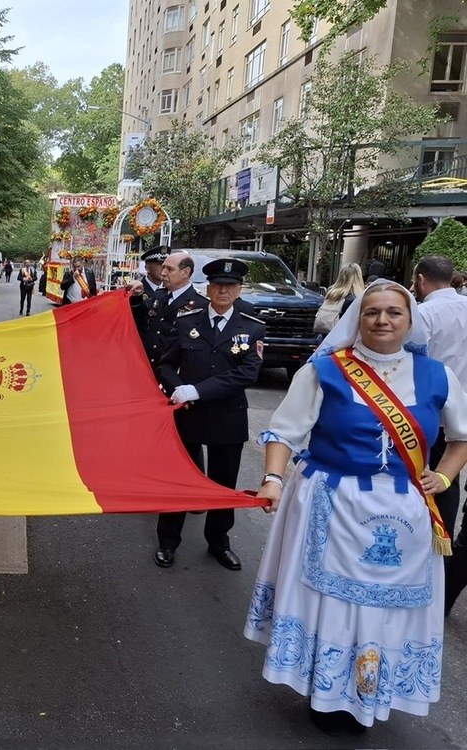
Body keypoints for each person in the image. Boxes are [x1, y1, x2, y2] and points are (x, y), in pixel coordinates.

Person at [245, 280, 467, 734]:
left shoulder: (438, 376)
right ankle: (325, 691)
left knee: (387, 608)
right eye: (372, 312)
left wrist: (442, 476)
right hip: (332, 502)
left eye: (394, 313)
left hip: (404, 513)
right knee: (332, 600)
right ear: (357, 319)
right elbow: (284, 432)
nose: (382, 320)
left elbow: (462, 438)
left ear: (411, 321)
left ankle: (371, 687)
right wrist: (272, 480)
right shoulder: (325, 371)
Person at [154, 258, 266, 571]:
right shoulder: (187, 321)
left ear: (239, 289)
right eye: (217, 285)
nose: (223, 291)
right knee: (178, 481)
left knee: (223, 484)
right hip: (188, 413)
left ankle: (218, 543)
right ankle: (167, 541)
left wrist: (198, 389)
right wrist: (177, 387)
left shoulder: (252, 325)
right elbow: (165, 363)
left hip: (227, 416)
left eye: (230, 286)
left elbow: (247, 374)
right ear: (208, 287)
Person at [413, 255, 467, 613]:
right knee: (448, 482)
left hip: (430, 411)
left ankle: (419, 555)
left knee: (420, 482)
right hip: (461, 418)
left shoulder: (424, 315)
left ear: (420, 280)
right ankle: (440, 544)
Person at [130, 251, 208, 367]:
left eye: (169, 269)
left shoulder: (201, 304)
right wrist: (137, 296)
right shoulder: (159, 295)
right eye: (163, 268)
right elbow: (139, 317)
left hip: (174, 370)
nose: (163, 273)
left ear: (185, 272)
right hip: (148, 366)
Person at [314, 262, 364, 334]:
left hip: (325, 334)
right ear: (358, 278)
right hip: (342, 339)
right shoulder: (354, 298)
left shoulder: (331, 294)